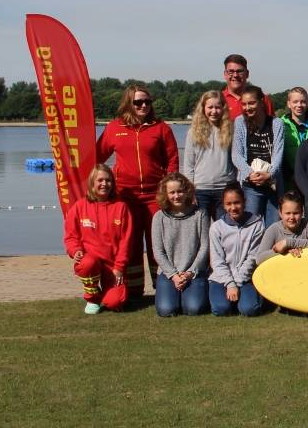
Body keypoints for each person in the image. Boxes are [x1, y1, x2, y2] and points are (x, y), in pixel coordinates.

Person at [96, 83, 179, 294]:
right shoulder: (115, 128)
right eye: (138, 102)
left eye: (147, 102)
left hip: (155, 196)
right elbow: (97, 157)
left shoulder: (161, 128)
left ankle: (161, 288)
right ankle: (133, 291)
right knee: (130, 244)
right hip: (125, 196)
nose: (143, 106)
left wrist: (168, 189)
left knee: (157, 244)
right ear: (128, 104)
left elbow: (172, 160)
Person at [63, 164, 134, 314]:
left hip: (112, 266)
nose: (104, 184)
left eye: (108, 181)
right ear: (92, 183)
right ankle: (92, 297)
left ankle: (107, 293)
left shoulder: (121, 207)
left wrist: (119, 268)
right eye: (100, 180)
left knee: (115, 303)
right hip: (91, 262)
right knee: (88, 263)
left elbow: (126, 242)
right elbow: (71, 236)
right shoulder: (79, 206)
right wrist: (75, 251)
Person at [150, 172, 210, 317]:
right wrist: (174, 276)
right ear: (166, 194)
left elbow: (205, 247)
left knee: (193, 308)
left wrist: (190, 272)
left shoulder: (200, 214)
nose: (176, 196)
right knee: (166, 310)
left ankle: (190, 295)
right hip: (169, 273)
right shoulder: (159, 217)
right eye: (172, 192)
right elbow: (158, 251)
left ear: (187, 191)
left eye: (180, 191)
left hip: (193, 272)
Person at [208, 182, 265, 317]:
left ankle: (249, 299)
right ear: (223, 205)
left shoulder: (257, 225)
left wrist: (237, 283)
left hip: (246, 277)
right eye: (228, 204)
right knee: (220, 309)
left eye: (237, 202)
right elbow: (217, 261)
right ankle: (226, 299)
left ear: (245, 202)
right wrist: (230, 283)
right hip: (221, 278)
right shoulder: (216, 228)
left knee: (249, 310)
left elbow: (252, 257)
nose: (233, 207)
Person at [231, 84, 284, 226]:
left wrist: (270, 174)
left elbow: (279, 154)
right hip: (250, 184)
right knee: (251, 226)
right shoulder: (240, 122)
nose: (248, 108)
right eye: (244, 104)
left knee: (273, 227)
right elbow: (236, 155)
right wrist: (249, 173)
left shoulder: (276, 123)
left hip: (272, 184)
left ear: (261, 101)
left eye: (252, 103)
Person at [182, 91, 235, 221]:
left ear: (223, 108)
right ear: (203, 108)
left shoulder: (230, 130)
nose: (214, 111)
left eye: (217, 107)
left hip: (224, 189)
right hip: (200, 190)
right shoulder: (193, 132)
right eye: (210, 107)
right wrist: (190, 191)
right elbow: (188, 165)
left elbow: (236, 160)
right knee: (202, 232)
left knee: (224, 231)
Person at [256, 191, 308, 265]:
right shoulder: (273, 229)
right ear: (280, 213)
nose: (292, 217)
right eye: (288, 213)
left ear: (302, 212)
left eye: (296, 213)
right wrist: (285, 251)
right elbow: (259, 258)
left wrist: (288, 243)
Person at [279, 87, 308, 194]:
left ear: (307, 103)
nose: (299, 105)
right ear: (289, 104)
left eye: (303, 102)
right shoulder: (281, 124)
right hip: (289, 180)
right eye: (295, 102)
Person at [220, 54, 274, 119]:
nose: (235, 75)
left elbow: (272, 126)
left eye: (239, 71)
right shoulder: (218, 100)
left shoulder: (262, 99)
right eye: (231, 71)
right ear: (225, 74)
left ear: (247, 73)